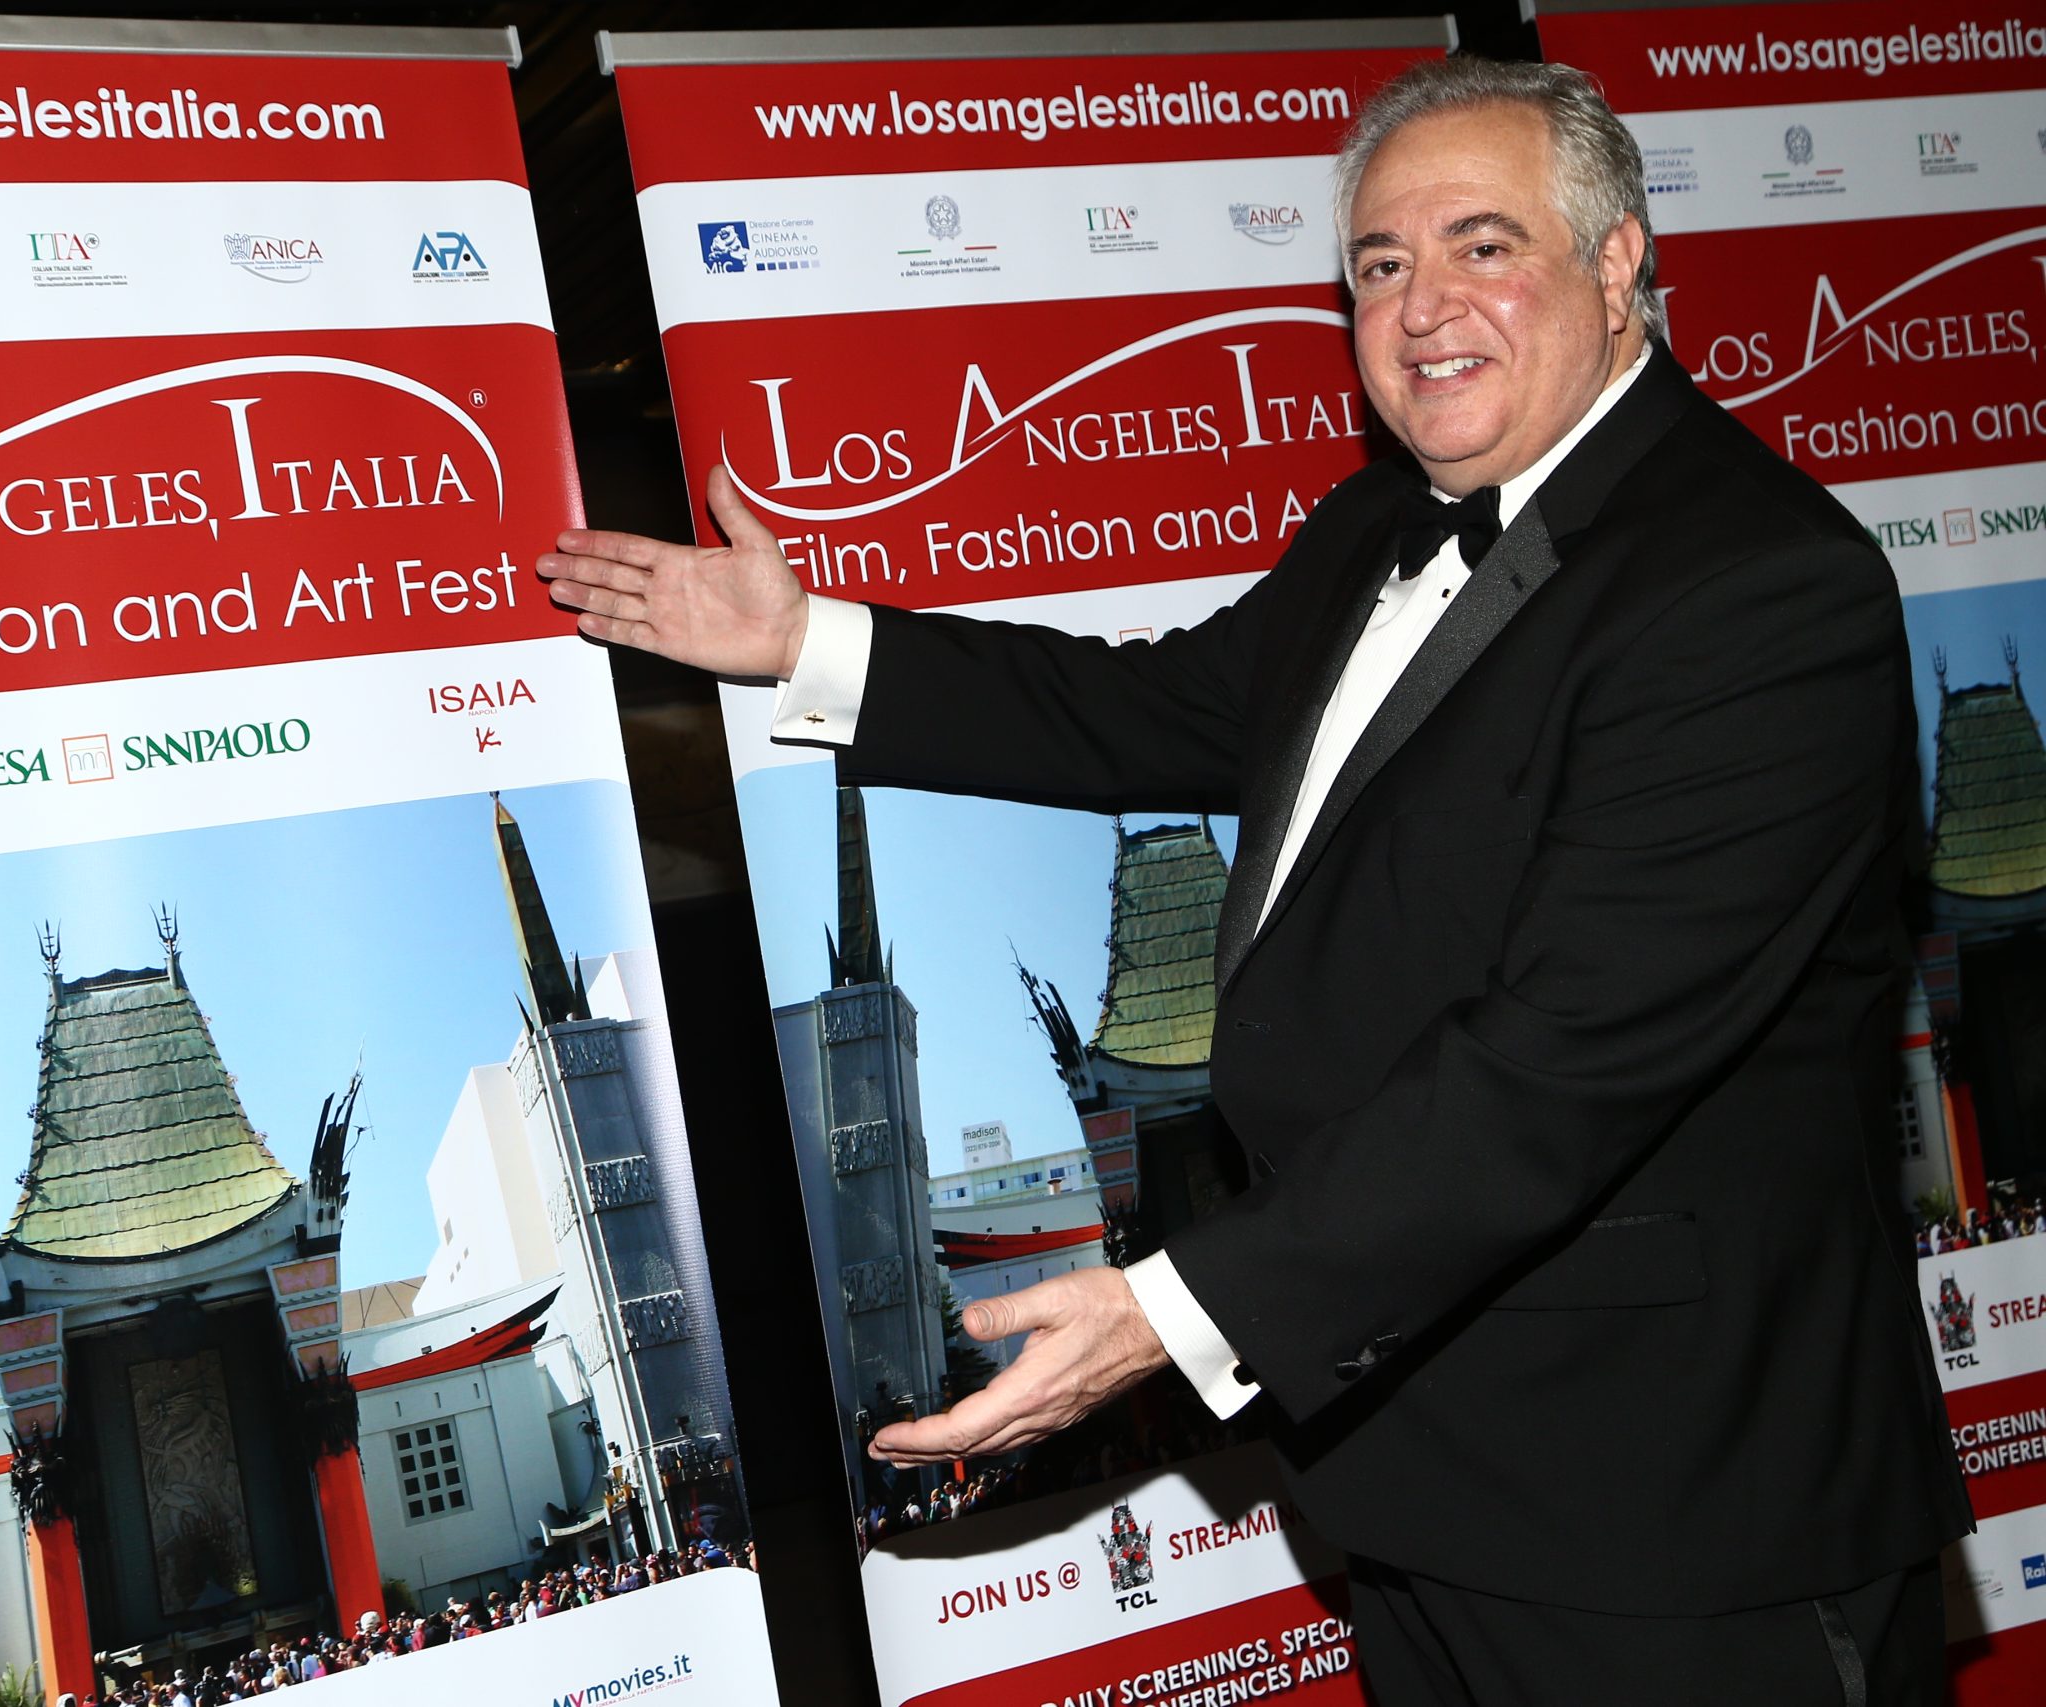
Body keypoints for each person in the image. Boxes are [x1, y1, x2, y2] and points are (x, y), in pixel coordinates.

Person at [540, 55, 1968, 1705]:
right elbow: (1149, 710)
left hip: (1679, 1508)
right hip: (1424, 1476)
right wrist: (809, 642)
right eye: (1380, 264)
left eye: (1484, 245)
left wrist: (1179, 1309)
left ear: (1617, 262)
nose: (1422, 308)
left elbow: (1568, 1061)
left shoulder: (1761, 586)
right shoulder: (1374, 527)